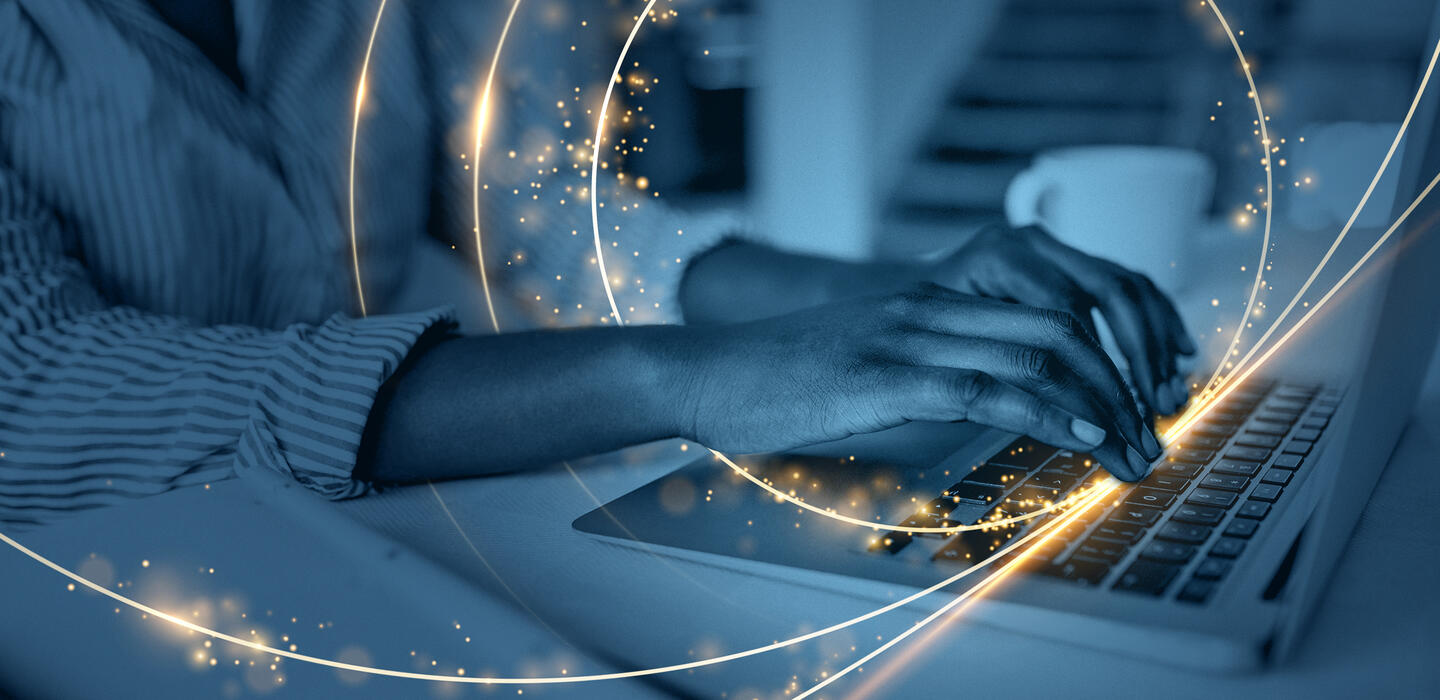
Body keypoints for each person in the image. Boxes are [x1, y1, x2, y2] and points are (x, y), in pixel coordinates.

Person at [0, 0, 1192, 529]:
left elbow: (524, 208)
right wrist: (682, 375)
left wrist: (891, 293)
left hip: (394, 532)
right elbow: (36, 390)